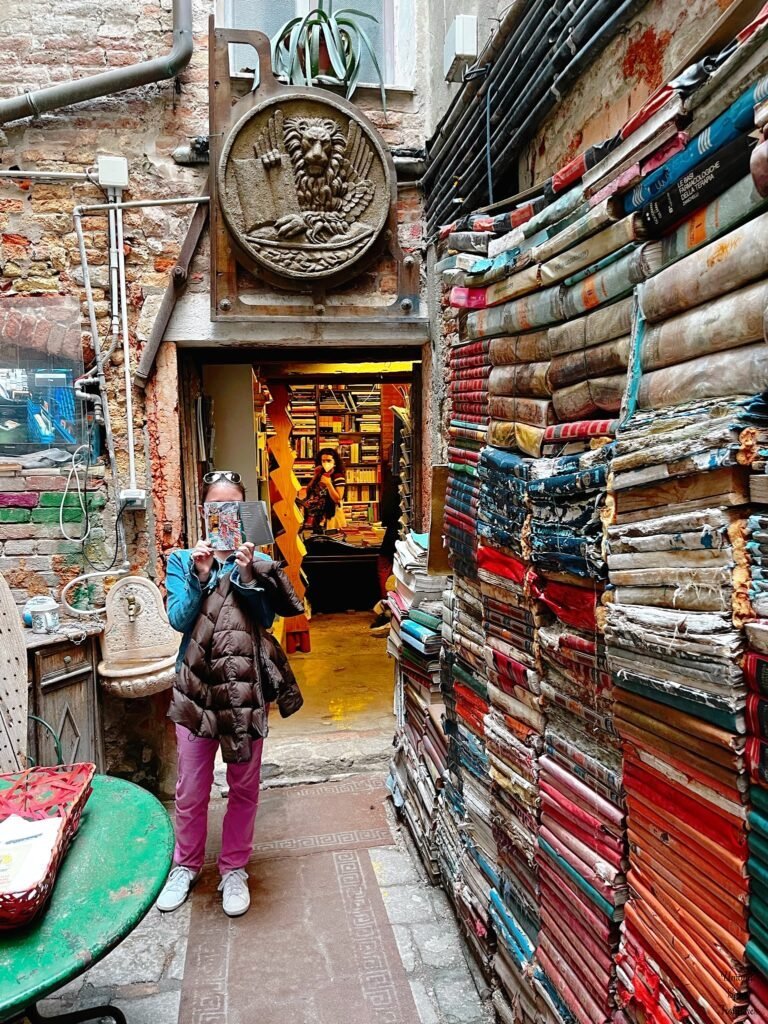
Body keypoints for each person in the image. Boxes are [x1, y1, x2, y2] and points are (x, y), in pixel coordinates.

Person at [155, 469, 304, 918]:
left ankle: (234, 869)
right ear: (204, 512)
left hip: (245, 688)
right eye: (216, 507)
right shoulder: (182, 561)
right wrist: (202, 575)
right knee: (191, 787)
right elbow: (179, 620)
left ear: (243, 512)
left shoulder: (257, 561)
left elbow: (268, 619)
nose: (225, 515)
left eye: (233, 508)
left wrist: (245, 573)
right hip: (196, 688)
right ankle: (185, 865)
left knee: (243, 785)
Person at [297, 447, 346, 533]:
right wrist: (315, 476)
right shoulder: (320, 474)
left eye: (329, 460)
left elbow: (338, 499)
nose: (326, 463)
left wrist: (328, 484)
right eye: (323, 461)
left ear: (335, 461)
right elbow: (308, 491)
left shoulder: (338, 477)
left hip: (330, 517)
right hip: (315, 516)